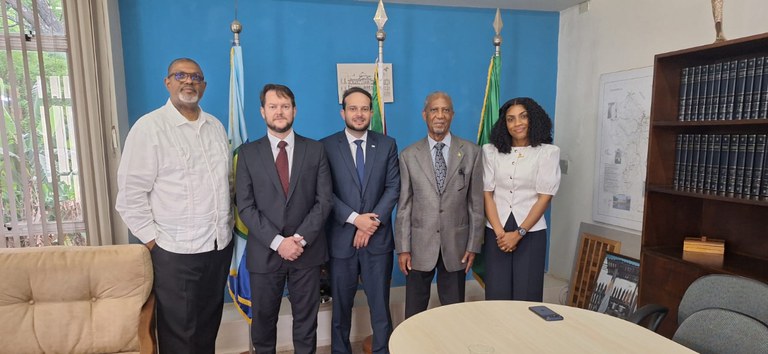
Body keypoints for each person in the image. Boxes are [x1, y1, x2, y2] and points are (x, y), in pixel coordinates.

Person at [115, 58, 233, 354]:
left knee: (207, 329)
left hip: (217, 248)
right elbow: (129, 196)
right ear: (167, 82)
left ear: (203, 86)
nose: (189, 81)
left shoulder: (215, 127)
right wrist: (156, 242)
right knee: (180, 336)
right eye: (180, 75)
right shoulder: (149, 128)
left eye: (196, 77)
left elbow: (225, 184)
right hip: (175, 253)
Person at [235, 83, 332, 354]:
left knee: (306, 323)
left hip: (307, 253)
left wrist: (298, 240)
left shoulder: (315, 150)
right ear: (262, 111)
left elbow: (324, 201)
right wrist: (279, 242)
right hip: (265, 253)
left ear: (295, 110)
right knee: (264, 325)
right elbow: (245, 206)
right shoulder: (247, 154)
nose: (280, 112)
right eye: (273, 106)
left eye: (285, 106)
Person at [321, 87, 400, 354]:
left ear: (371, 112)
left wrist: (370, 224)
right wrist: (356, 220)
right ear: (343, 112)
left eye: (364, 108)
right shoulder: (325, 147)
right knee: (341, 311)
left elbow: (392, 188)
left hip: (377, 243)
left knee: (380, 308)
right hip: (341, 243)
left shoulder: (387, 144)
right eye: (353, 108)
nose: (359, 114)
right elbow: (325, 193)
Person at [395, 91, 484, 319]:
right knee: (414, 313)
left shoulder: (472, 152)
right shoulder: (408, 156)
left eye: (445, 110)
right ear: (425, 115)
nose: (440, 115)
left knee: (454, 314)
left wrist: (473, 245)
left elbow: (476, 203)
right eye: (435, 110)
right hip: (419, 246)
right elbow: (404, 206)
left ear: (452, 115)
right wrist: (403, 248)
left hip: (457, 245)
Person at [482, 97, 561, 301]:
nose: (517, 123)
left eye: (523, 117)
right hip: (496, 232)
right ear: (504, 124)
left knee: (527, 297)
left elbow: (544, 198)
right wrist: (501, 234)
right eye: (510, 119)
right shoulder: (490, 152)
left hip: (531, 233)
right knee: (496, 296)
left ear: (533, 119)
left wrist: (518, 234)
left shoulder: (547, 153)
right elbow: (487, 194)